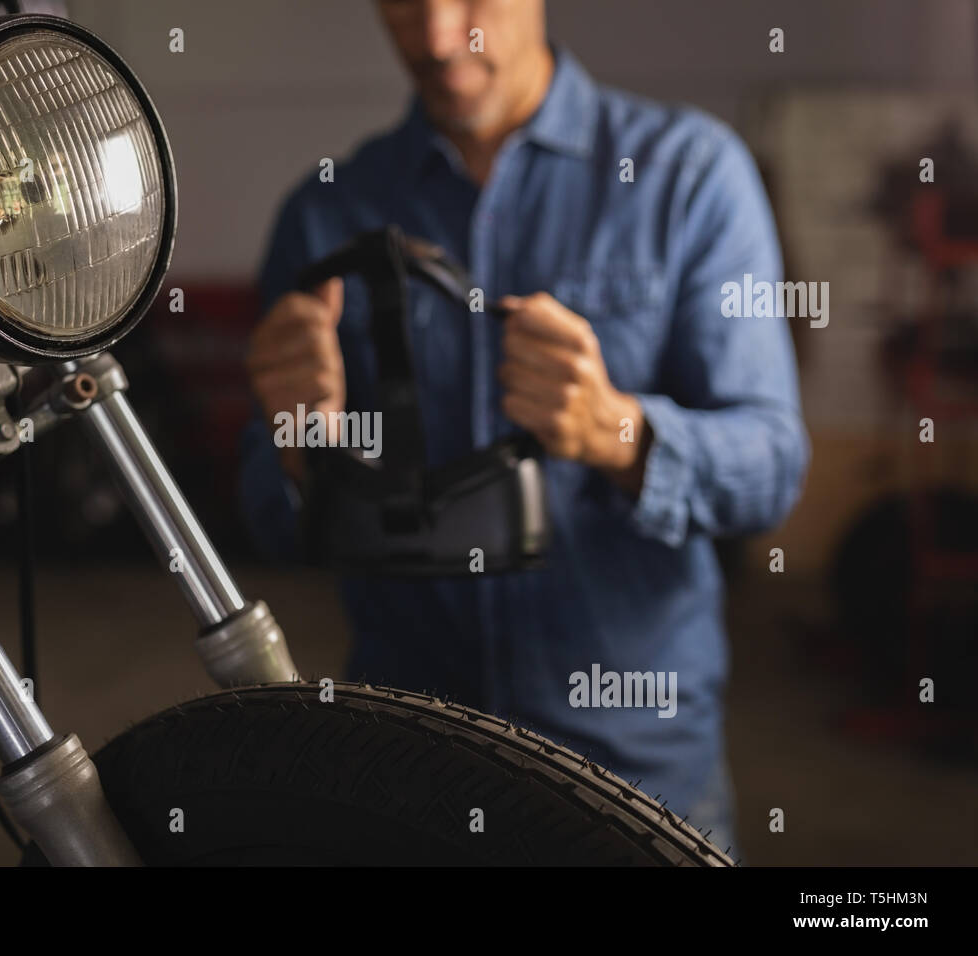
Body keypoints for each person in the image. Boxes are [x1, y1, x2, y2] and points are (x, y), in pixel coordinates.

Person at [239, 0, 808, 859]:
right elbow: (266, 517)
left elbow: (771, 466)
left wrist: (618, 432)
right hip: (409, 762)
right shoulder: (326, 214)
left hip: (634, 772)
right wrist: (300, 454)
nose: (436, 38)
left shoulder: (688, 177)